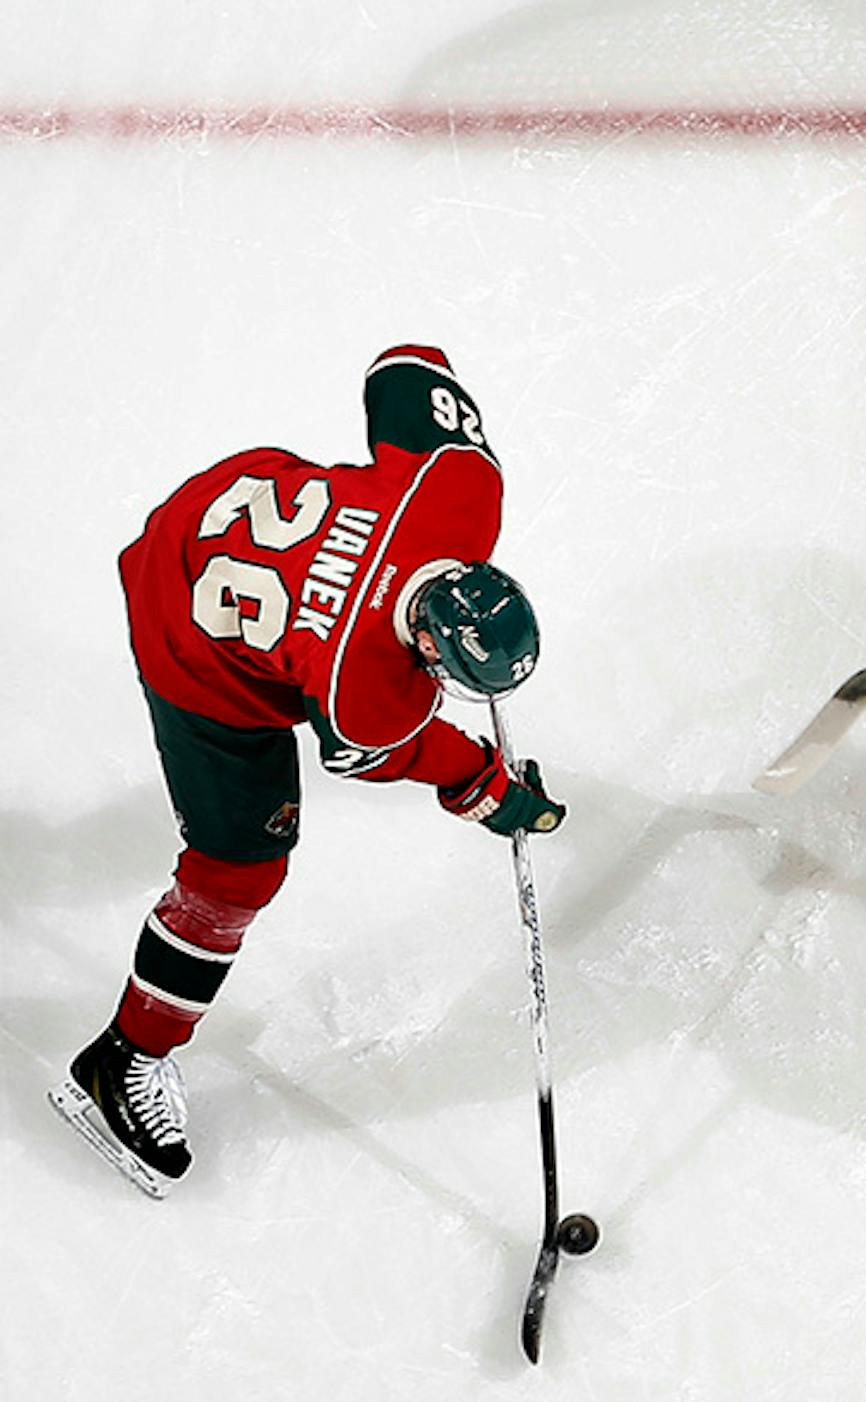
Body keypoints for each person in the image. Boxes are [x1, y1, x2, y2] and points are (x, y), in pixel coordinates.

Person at [49, 346, 567, 1198]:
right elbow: (403, 752)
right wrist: (489, 788)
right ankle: (122, 1060)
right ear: (431, 645)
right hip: (187, 643)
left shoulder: (458, 490)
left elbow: (406, 367)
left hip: (220, 505)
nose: (440, 688)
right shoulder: (365, 696)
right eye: (445, 675)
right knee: (239, 869)